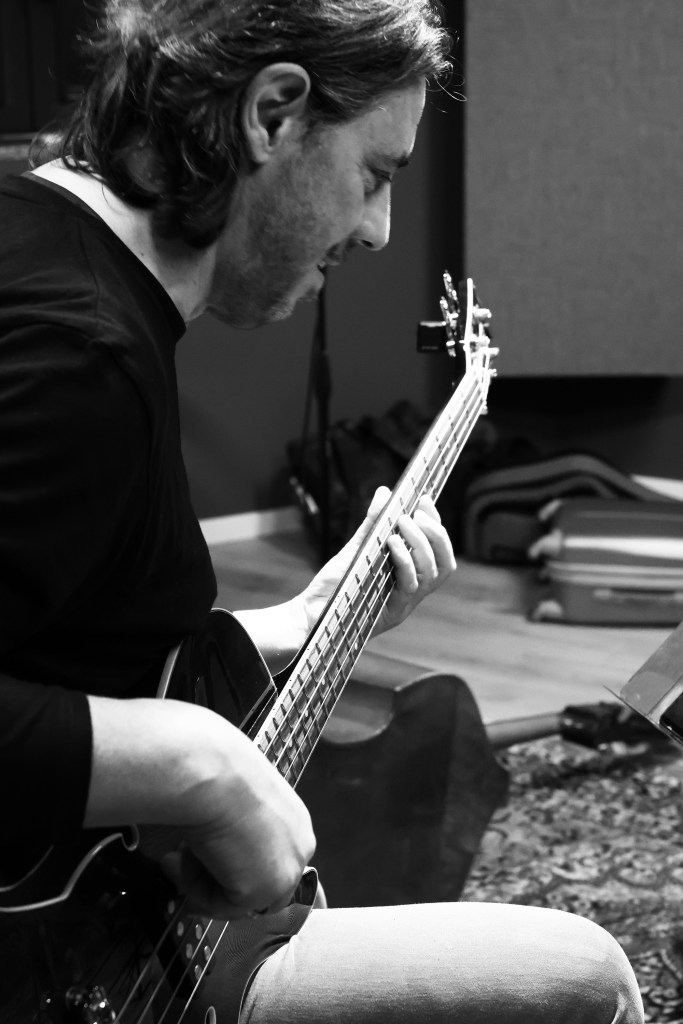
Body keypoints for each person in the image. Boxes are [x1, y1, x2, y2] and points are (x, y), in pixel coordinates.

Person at [0, 1, 644, 1022]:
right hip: (80, 976)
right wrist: (201, 770)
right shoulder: (77, 354)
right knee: (588, 977)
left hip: (113, 908)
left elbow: (65, 650)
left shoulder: (35, 237)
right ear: (273, 114)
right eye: (375, 174)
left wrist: (295, 623)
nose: (380, 229)